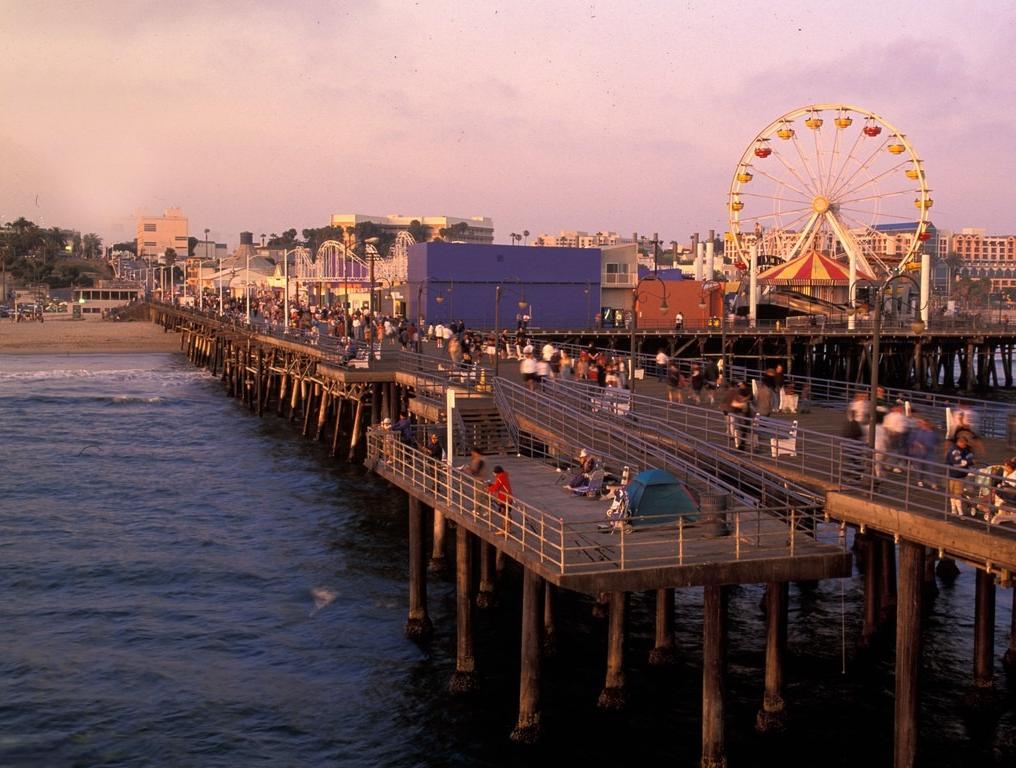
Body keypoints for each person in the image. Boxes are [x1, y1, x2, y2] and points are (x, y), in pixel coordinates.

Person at [945, 434, 975, 516]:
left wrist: (968, 461)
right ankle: (958, 511)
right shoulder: (955, 451)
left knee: (954, 493)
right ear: (960, 443)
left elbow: (970, 457)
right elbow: (958, 463)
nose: (965, 446)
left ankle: (954, 510)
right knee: (956, 494)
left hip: (955, 474)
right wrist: (969, 462)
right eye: (964, 444)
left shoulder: (963, 449)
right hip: (957, 475)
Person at [488, 465, 514, 536]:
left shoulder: (499, 478)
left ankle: (505, 530)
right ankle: (507, 529)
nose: (493, 474)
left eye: (494, 473)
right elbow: (500, 486)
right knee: (506, 513)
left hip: (504, 498)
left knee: (504, 513)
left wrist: (488, 488)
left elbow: (496, 488)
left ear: (496, 472)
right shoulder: (504, 476)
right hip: (509, 497)